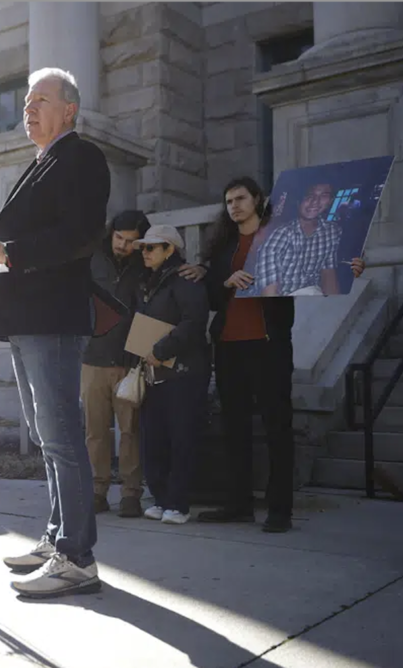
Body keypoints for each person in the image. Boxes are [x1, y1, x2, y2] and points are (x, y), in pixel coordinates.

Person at [0, 67, 109, 598]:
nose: (28, 109)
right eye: (26, 102)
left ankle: (77, 558)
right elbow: (22, 241)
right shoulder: (41, 162)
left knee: (63, 438)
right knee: (49, 441)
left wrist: (12, 253)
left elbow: (79, 236)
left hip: (52, 319)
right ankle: (56, 538)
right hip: (26, 320)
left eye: (40, 100)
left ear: (68, 109)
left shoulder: (81, 158)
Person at [192, 177, 365, 533]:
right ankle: (238, 503)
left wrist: (353, 267)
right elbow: (209, 297)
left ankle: (279, 510)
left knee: (277, 428)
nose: (234, 206)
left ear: (257, 200)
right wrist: (224, 282)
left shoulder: (281, 237)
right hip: (228, 346)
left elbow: (323, 266)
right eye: (228, 201)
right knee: (234, 428)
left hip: (268, 344)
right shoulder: (222, 249)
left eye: (240, 198)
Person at [132, 225, 210, 525]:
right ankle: (162, 499)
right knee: (155, 438)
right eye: (143, 247)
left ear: (170, 250)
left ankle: (178, 503)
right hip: (156, 372)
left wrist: (160, 350)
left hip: (184, 372)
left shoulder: (185, 279)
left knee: (181, 438)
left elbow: (194, 322)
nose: (145, 252)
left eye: (152, 247)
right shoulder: (150, 282)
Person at [82, 210, 149, 518]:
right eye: (119, 238)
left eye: (131, 241)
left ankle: (131, 493)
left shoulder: (145, 265)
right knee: (95, 431)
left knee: (131, 430)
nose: (123, 245)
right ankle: (97, 491)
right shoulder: (92, 257)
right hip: (92, 358)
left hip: (130, 361)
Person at [253, 182, 344, 296]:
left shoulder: (332, 231)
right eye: (309, 196)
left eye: (324, 196)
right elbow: (269, 292)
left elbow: (328, 273)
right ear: (298, 200)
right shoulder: (280, 235)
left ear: (330, 201)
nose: (315, 202)